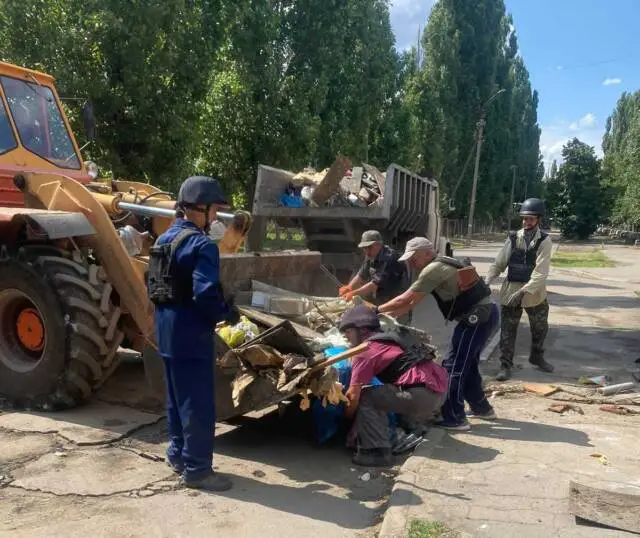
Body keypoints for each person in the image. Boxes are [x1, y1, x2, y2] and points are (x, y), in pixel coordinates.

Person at [147, 175, 240, 492]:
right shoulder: (202, 245)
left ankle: (177, 455)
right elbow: (205, 292)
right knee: (197, 403)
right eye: (214, 209)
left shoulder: (163, 240)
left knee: (176, 398)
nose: (215, 216)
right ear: (199, 208)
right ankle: (198, 470)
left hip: (165, 329)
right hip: (190, 332)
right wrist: (225, 313)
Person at [378, 237, 499, 431]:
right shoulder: (441, 263)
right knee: (468, 364)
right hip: (485, 314)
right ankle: (482, 408)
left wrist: (374, 310)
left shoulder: (433, 269)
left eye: (414, 258)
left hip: (477, 319)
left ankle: (454, 418)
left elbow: (406, 298)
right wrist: (386, 316)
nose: (411, 263)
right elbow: (411, 303)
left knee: (453, 366)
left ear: (427, 253)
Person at [340, 305, 448, 466]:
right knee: (388, 392)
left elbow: (353, 395)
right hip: (440, 394)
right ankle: (412, 426)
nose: (345, 336)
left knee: (367, 396)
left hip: (422, 397)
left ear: (362, 330)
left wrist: (346, 418)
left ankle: (377, 452)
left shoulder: (365, 351)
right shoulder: (392, 338)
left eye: (348, 331)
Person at [486, 198, 554, 381]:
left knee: (540, 327)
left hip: (534, 293)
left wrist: (524, 291)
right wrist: (487, 281)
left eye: (530, 219)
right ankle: (505, 365)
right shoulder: (513, 238)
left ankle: (537, 356)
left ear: (538, 219)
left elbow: (541, 272)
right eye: (524, 218)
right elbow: (499, 263)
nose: (526, 222)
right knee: (507, 331)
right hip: (511, 291)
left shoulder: (544, 241)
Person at [339, 230, 410, 322]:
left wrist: (353, 293)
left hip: (396, 304)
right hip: (381, 300)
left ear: (378, 244)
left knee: (394, 327)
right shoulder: (371, 255)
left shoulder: (390, 258)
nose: (366, 251)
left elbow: (373, 285)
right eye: (364, 248)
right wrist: (349, 287)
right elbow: (361, 275)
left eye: (369, 247)